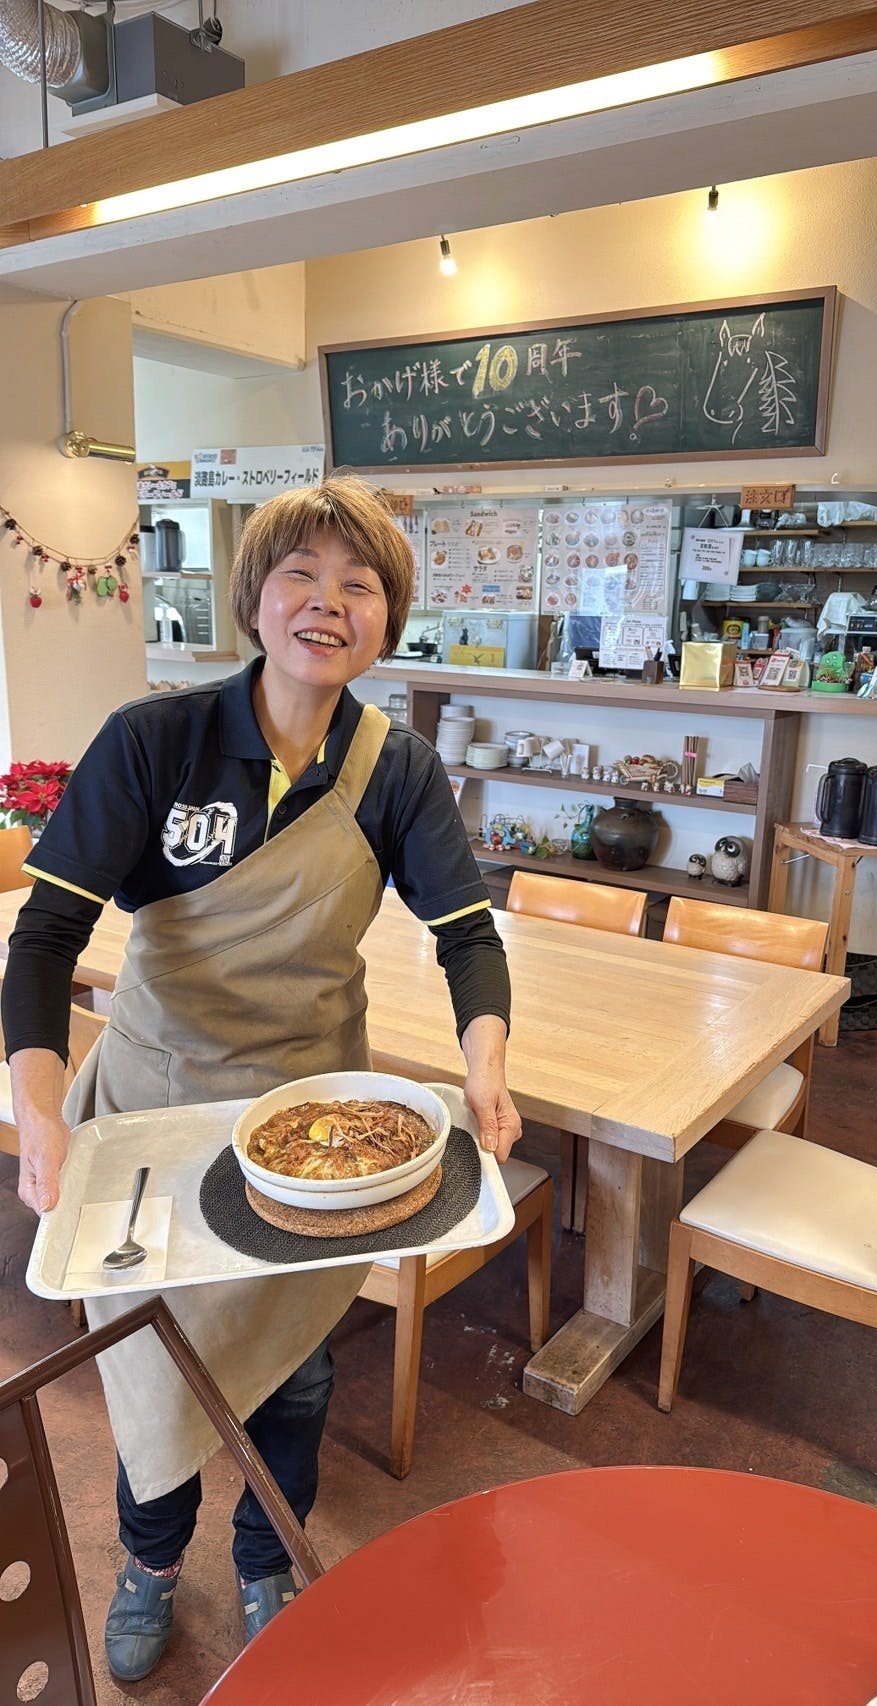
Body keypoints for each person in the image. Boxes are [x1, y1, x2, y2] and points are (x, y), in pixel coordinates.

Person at [4, 473, 520, 1681]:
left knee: (296, 1371)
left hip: (319, 1123)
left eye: (359, 584)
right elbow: (45, 934)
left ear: (387, 620)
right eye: (302, 574)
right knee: (151, 1361)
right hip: (158, 1108)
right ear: (255, 597)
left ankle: (265, 1556)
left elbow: (468, 935)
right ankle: (149, 1561)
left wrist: (485, 1068)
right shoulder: (154, 740)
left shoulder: (398, 769)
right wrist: (39, 1105)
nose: (328, 602)